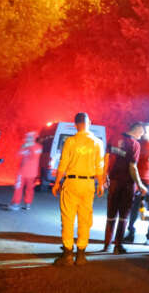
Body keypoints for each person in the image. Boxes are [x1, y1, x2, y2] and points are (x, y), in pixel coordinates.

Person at [52, 112, 104, 267]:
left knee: (68, 218)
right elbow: (99, 166)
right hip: (88, 184)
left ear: (75, 124)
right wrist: (100, 184)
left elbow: (63, 164)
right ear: (90, 123)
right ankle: (81, 255)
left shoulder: (70, 141)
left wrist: (56, 183)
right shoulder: (97, 142)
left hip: (72, 182)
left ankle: (68, 254)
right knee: (85, 219)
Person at [103, 122, 147, 254]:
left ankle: (106, 244)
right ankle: (118, 246)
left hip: (114, 181)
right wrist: (140, 184)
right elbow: (132, 167)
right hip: (127, 184)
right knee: (123, 215)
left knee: (111, 214)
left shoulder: (115, 138)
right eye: (142, 132)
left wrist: (104, 175)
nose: (142, 135)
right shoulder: (134, 144)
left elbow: (106, 158)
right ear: (137, 129)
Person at [10, 131, 42, 211]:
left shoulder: (38, 147)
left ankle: (28, 203)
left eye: (29, 137)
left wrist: (30, 147)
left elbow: (34, 156)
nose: (27, 139)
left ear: (33, 138)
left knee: (29, 189)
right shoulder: (24, 146)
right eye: (27, 137)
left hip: (32, 173)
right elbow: (17, 155)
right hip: (21, 172)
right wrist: (23, 147)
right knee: (18, 188)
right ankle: (16, 203)